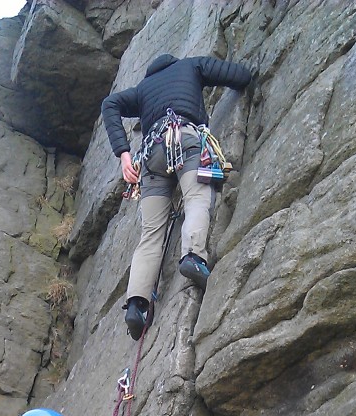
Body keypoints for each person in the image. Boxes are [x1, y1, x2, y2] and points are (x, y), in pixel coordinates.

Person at [101, 53, 253, 340]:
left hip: (150, 159)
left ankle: (137, 305)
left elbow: (110, 104)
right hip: (183, 139)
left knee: (151, 233)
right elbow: (240, 76)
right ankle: (193, 256)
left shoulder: (142, 90)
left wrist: (123, 154)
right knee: (197, 197)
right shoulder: (191, 65)